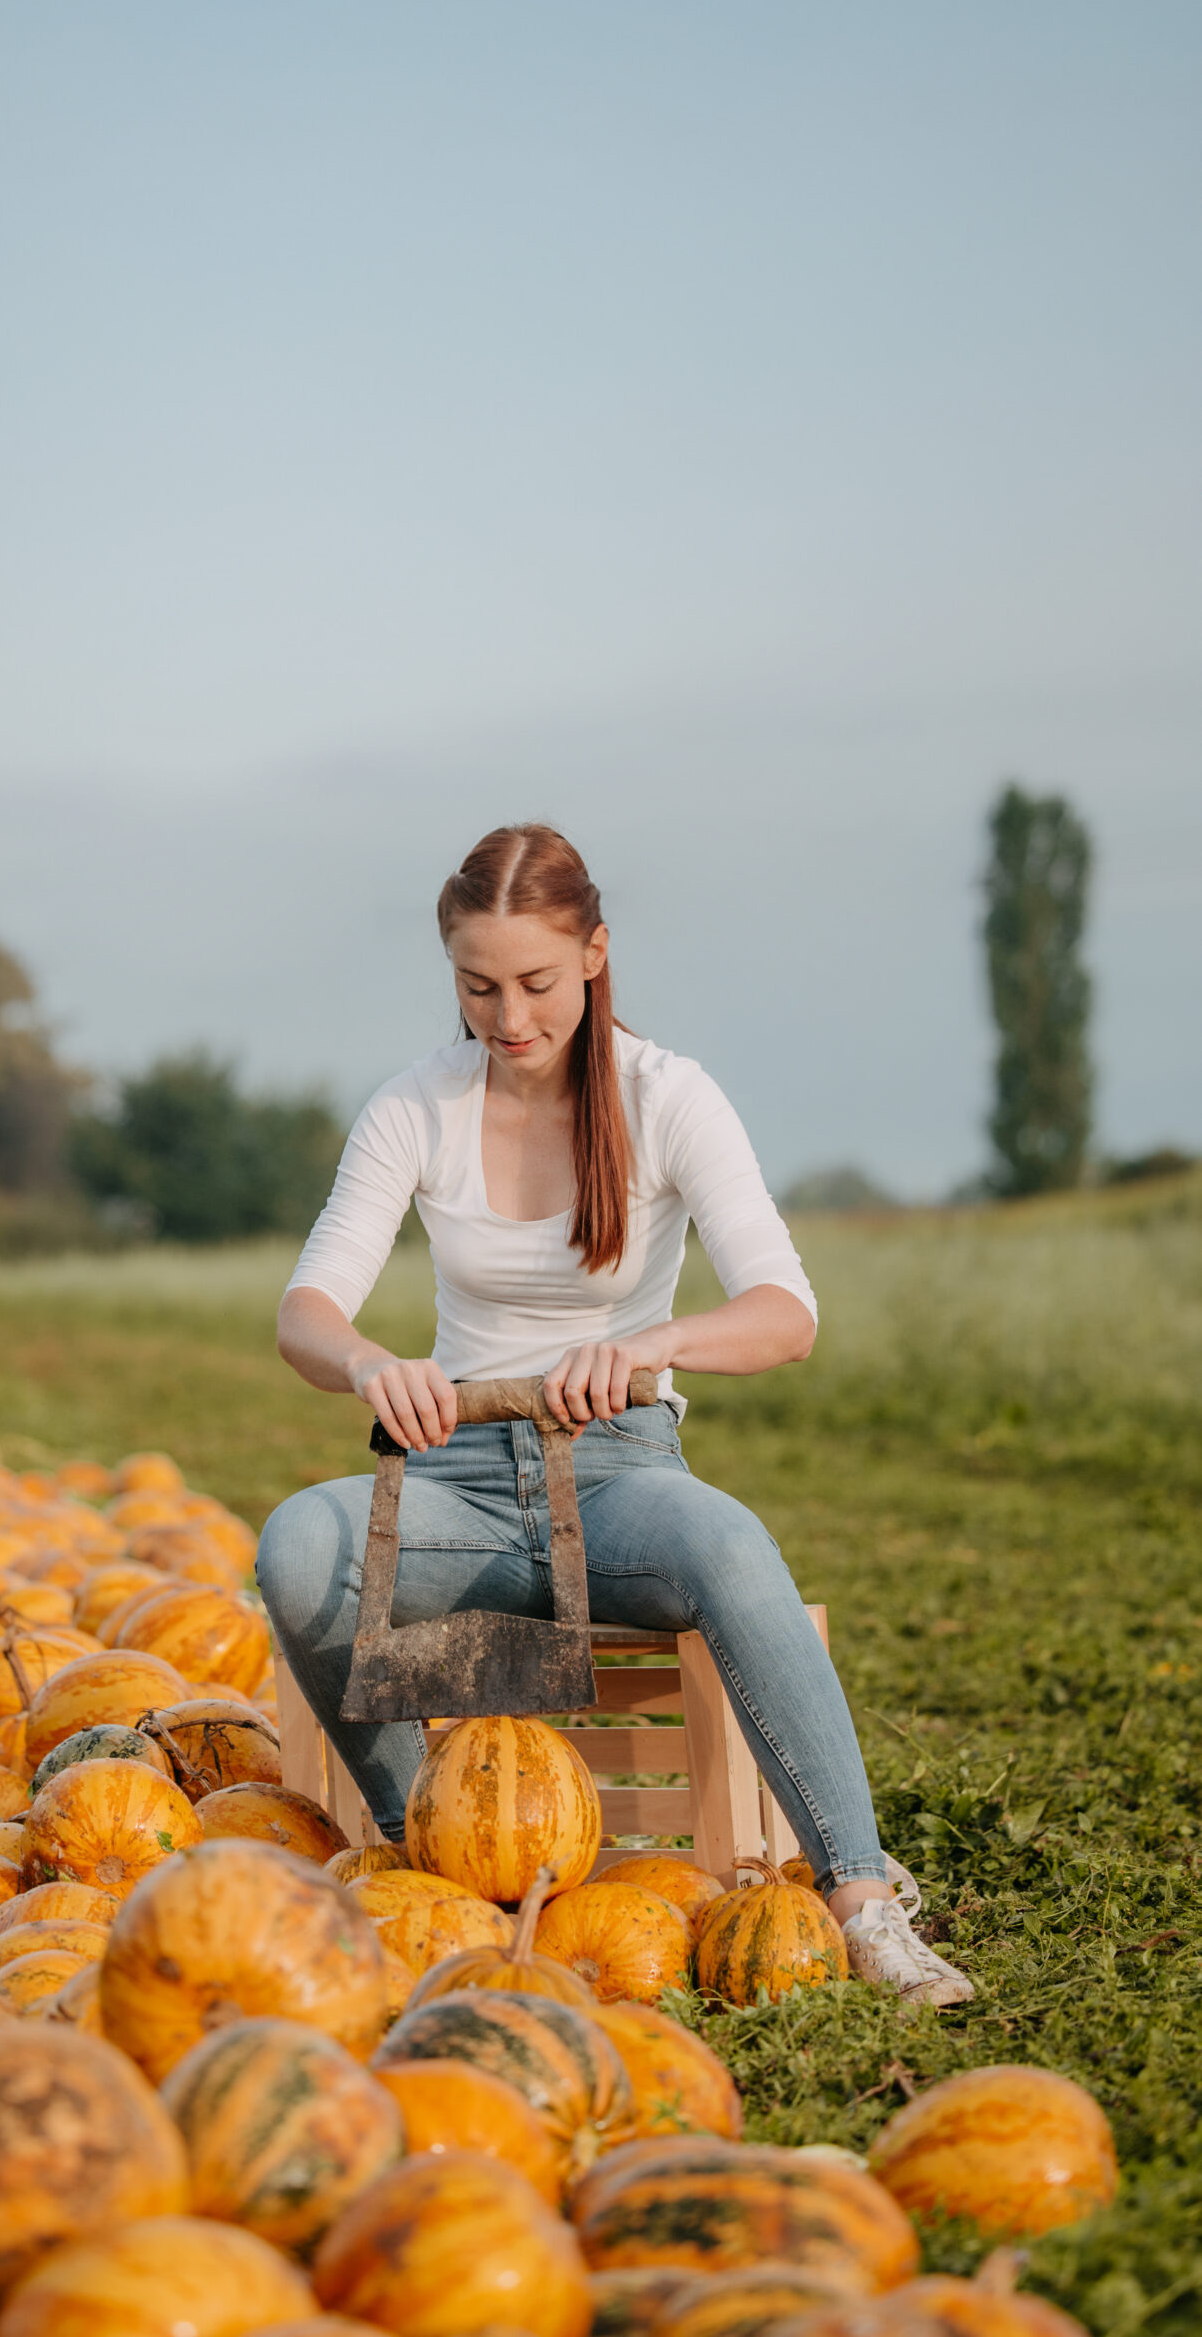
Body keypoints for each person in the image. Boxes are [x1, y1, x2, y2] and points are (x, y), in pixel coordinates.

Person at [257, 821, 971, 2007]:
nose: (509, 1015)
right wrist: (369, 1360)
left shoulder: (669, 1096)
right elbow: (306, 1309)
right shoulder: (414, 1107)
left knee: (732, 1544)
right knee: (298, 1546)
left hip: (621, 1474)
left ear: (594, 953)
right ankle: (426, 1857)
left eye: (536, 981)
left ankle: (863, 1902)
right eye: (478, 986)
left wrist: (660, 1343)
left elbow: (786, 1312)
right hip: (458, 1482)